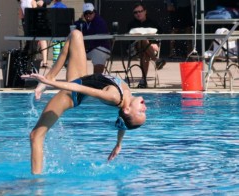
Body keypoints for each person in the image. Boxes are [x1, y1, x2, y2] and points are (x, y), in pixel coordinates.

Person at [21, 30, 147, 174]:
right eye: (144, 112)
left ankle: (36, 184)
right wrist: (119, 144)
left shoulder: (114, 96)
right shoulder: (127, 99)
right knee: (75, 34)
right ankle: (50, 76)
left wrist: (49, 83)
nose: (145, 108)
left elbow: (79, 88)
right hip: (81, 77)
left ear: (127, 110)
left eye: (141, 112)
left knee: (36, 136)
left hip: (69, 95)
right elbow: (123, 122)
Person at [127, 2, 166, 88]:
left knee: (145, 54)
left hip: (149, 49)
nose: (138, 14)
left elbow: (161, 35)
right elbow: (128, 40)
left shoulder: (153, 23)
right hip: (135, 48)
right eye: (136, 12)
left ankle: (143, 80)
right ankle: (156, 60)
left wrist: (156, 43)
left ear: (145, 12)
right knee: (142, 39)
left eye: (140, 11)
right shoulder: (131, 24)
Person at [74, 3, 111, 74]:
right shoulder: (85, 23)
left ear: (94, 12)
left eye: (90, 13)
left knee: (99, 53)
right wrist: (80, 20)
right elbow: (76, 26)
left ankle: (97, 78)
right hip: (89, 48)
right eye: (86, 13)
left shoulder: (99, 21)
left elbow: (95, 34)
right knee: (70, 54)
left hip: (101, 47)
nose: (88, 15)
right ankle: (78, 77)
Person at [19, 0, 49, 68]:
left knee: (30, 42)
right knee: (41, 40)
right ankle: (44, 61)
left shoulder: (22, 2)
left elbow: (21, 16)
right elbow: (35, 14)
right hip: (35, 23)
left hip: (27, 24)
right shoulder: (33, 2)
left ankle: (29, 60)